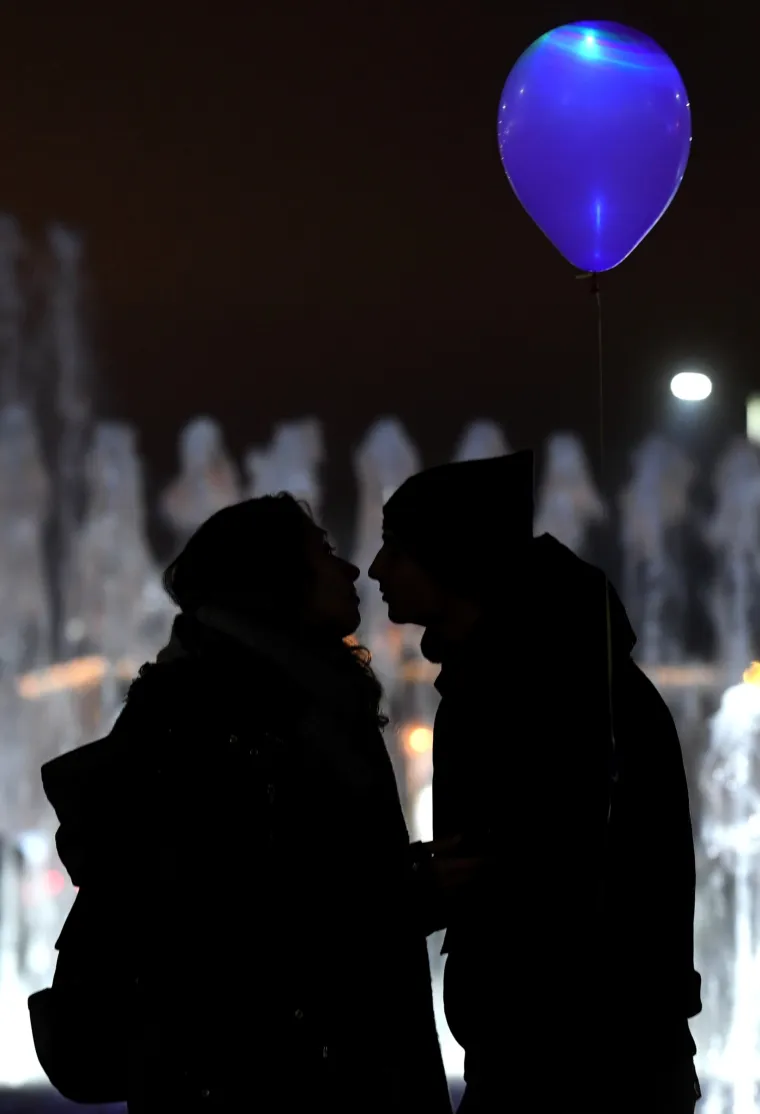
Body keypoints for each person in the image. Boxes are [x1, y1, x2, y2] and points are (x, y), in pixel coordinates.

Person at [29, 494, 453, 1114]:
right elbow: (239, 919)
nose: (353, 571)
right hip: (262, 1088)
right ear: (275, 579)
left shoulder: (295, 694)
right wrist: (411, 889)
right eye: (325, 555)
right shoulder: (217, 712)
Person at [368, 450, 703, 1114]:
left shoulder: (541, 686)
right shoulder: (525, 668)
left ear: (452, 557)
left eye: (397, 549)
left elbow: (546, 873)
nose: (376, 569)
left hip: (573, 1065)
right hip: (570, 1050)